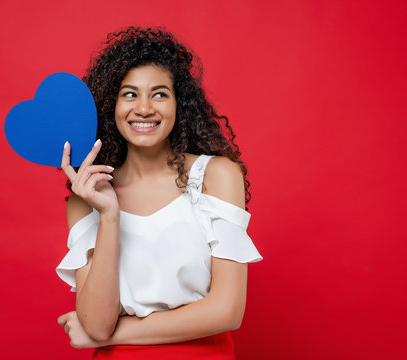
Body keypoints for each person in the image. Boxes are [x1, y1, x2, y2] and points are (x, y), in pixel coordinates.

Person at [56, 27, 262, 359]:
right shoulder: (87, 199)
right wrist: (109, 215)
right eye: (130, 94)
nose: (144, 109)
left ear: (179, 104)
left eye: (160, 94)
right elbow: (96, 323)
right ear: (111, 105)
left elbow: (227, 311)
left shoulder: (216, 176)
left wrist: (109, 336)